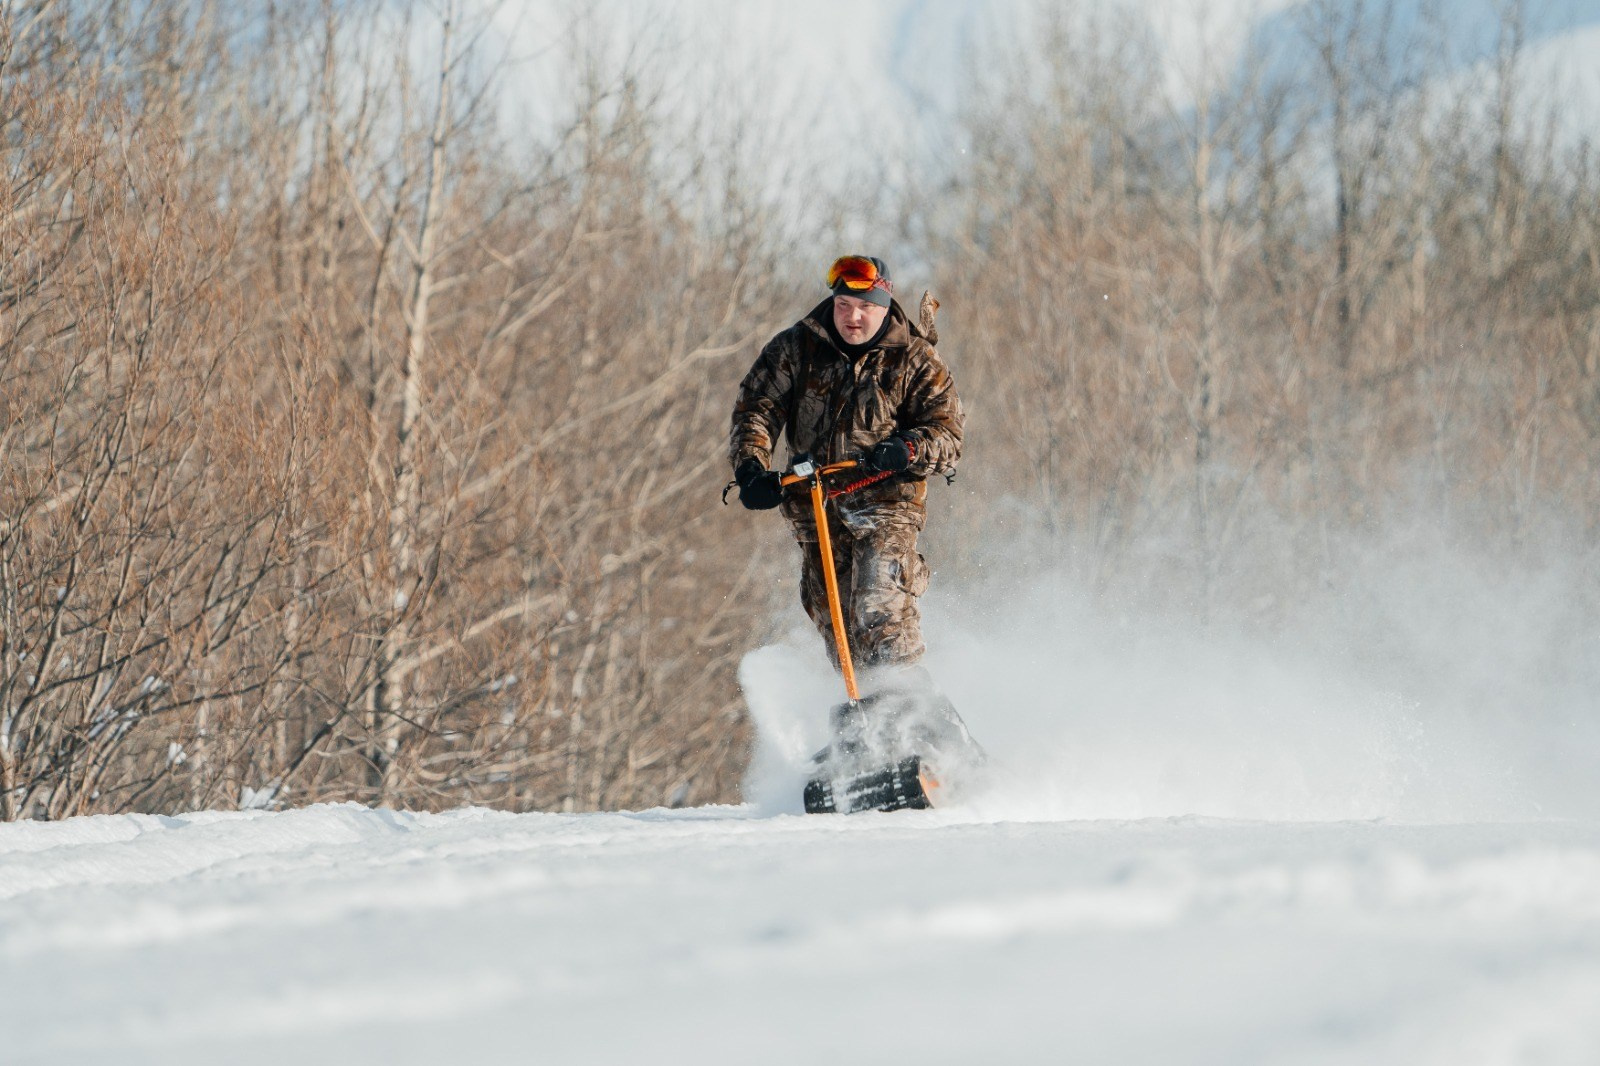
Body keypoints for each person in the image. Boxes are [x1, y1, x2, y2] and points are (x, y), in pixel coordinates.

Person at [728, 254, 963, 682]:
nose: (853, 317)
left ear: (886, 305)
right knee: (835, 622)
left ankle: (906, 706)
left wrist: (908, 448)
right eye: (843, 305)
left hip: (887, 506)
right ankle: (864, 719)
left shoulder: (915, 360)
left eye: (865, 307)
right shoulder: (795, 348)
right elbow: (756, 410)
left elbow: (948, 436)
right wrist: (750, 470)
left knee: (879, 605)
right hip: (815, 504)